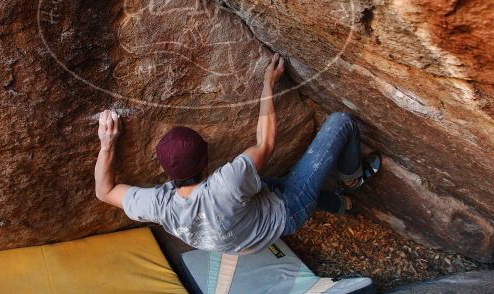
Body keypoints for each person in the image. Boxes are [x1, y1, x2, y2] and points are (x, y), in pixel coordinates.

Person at [94, 53, 380, 253]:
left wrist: (107, 143)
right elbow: (266, 143)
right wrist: (268, 85)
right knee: (341, 123)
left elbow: (104, 192)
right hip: (288, 212)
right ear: (206, 163)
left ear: (166, 170)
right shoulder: (227, 183)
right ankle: (352, 179)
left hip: (240, 237)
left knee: (262, 183)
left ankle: (339, 205)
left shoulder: (158, 204)